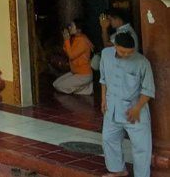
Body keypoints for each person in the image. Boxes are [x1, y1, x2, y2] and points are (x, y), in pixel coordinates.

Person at [102, 30, 154, 177]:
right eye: (122, 51)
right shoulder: (106, 54)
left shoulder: (142, 62)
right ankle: (118, 170)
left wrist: (137, 108)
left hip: (135, 110)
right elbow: (103, 79)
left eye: (129, 52)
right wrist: (103, 99)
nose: (126, 55)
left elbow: (148, 90)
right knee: (109, 139)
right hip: (112, 107)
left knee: (141, 146)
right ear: (115, 46)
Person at [54, 20, 95, 96]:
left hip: (84, 74)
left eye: (72, 26)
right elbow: (67, 51)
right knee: (55, 84)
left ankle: (85, 89)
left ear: (78, 29)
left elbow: (71, 56)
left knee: (59, 86)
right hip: (76, 72)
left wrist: (66, 40)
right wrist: (66, 39)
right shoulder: (77, 38)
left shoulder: (83, 41)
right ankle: (85, 87)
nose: (69, 27)